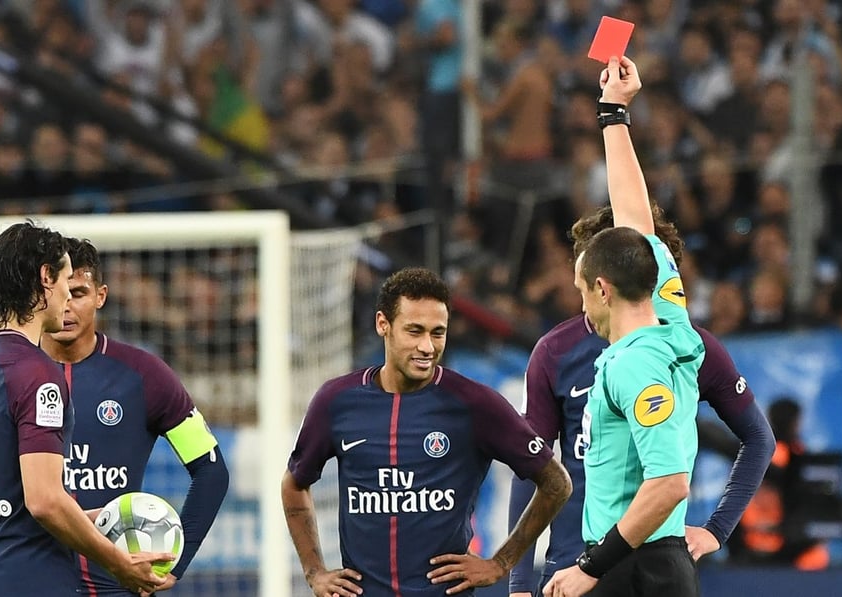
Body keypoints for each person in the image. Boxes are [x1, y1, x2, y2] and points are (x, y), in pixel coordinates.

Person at [0, 236, 230, 594]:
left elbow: (210, 467)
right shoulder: (28, 373)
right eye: (64, 287)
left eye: (80, 292)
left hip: (68, 583)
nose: (69, 303)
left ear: (101, 296)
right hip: (44, 578)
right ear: (45, 283)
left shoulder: (144, 374)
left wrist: (175, 565)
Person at [507, 204, 775, 596]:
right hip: (571, 567)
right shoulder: (555, 352)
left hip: (638, 564)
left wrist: (717, 530)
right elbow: (531, 466)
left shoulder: (684, 348)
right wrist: (518, 581)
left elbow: (757, 438)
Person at [282, 266, 573, 597]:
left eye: (438, 333)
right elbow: (295, 483)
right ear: (383, 324)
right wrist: (315, 571)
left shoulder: (473, 402)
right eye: (414, 331)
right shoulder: (337, 401)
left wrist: (501, 563)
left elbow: (556, 483)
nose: (427, 346)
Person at [543, 56, 705, 597]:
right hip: (647, 562)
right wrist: (614, 114)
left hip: (637, 568)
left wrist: (590, 569)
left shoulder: (635, 363)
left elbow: (668, 484)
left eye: (581, 288)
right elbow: (635, 222)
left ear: (603, 289)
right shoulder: (671, 319)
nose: (581, 305)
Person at [0, 222, 172, 596]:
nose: (68, 295)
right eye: (66, 279)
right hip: (35, 582)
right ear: (45, 278)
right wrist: (119, 564)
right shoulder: (37, 374)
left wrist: (81, 519)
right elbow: (45, 501)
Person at [731, 398, 829, 570]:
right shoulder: (784, 453)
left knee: (817, 556)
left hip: (760, 539)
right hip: (766, 539)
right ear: (794, 422)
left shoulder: (761, 449)